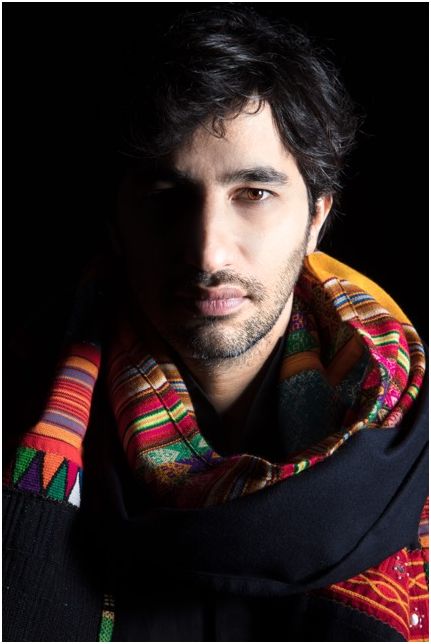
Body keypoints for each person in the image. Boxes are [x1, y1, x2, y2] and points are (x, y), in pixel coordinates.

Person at [3, 6, 428, 642]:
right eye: (166, 198)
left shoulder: (407, 437)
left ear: (316, 216)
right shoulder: (19, 404)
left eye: (253, 194)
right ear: (116, 224)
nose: (208, 254)